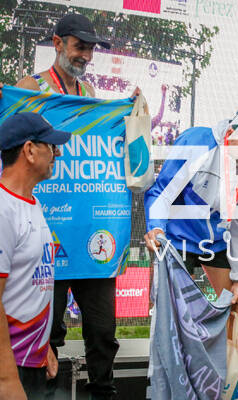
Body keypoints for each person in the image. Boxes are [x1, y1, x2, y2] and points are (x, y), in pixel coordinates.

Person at [0, 13, 140, 399]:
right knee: (48, 333)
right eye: (80, 47)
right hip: (47, 232)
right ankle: (44, 393)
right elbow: (10, 140)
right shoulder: (31, 87)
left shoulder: (89, 90)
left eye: (91, 49)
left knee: (102, 330)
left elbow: (103, 139)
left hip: (89, 232)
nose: (86, 56)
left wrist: (129, 111)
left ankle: (102, 392)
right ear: (58, 43)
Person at [144, 106, 238, 341]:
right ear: (232, 134)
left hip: (216, 239)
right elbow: (162, 193)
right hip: (178, 236)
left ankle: (230, 364)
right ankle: (171, 363)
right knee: (171, 312)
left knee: (234, 304)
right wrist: (156, 228)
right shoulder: (197, 144)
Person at [0, 113, 71, 400]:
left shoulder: (32, 203)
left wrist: (44, 348)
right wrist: (7, 379)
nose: (58, 153)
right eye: (51, 145)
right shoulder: (3, 210)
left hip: (32, 361)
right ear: (29, 150)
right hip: (11, 368)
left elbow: (28, 286)